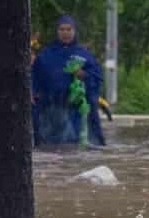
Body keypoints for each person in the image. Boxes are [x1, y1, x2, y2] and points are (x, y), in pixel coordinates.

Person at [31, 15, 105, 146]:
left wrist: (83, 75)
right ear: (57, 31)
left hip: (75, 113)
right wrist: (32, 93)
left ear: (74, 31)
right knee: (49, 148)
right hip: (50, 112)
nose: (65, 33)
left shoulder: (84, 54)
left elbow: (97, 77)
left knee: (73, 146)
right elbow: (34, 77)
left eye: (69, 29)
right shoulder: (46, 55)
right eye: (62, 29)